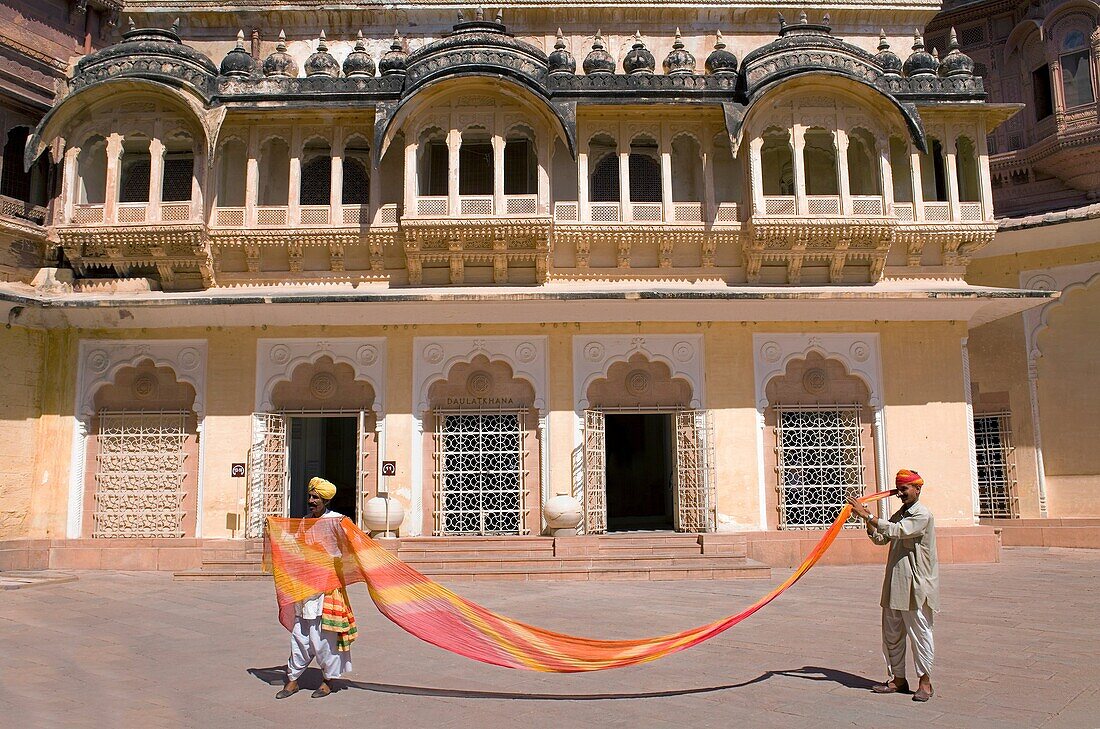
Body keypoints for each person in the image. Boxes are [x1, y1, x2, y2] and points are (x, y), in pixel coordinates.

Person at [846, 469, 938, 702]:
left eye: (905, 489)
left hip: (916, 585)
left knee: (920, 634)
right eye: (899, 489)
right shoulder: (901, 513)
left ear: (918, 489)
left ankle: (925, 683)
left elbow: (898, 531)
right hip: (895, 583)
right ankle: (898, 679)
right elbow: (882, 538)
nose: (901, 494)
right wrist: (867, 522)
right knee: (892, 634)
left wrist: (869, 517)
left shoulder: (921, 514)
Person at [276, 477, 357, 699]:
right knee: (300, 635)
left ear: (325, 500)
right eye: (310, 496)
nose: (311, 501)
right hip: (305, 586)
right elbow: (297, 546)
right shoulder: (304, 521)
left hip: (327, 587)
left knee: (324, 637)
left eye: (315, 497)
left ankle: (328, 680)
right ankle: (293, 680)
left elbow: (351, 546)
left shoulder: (337, 521)